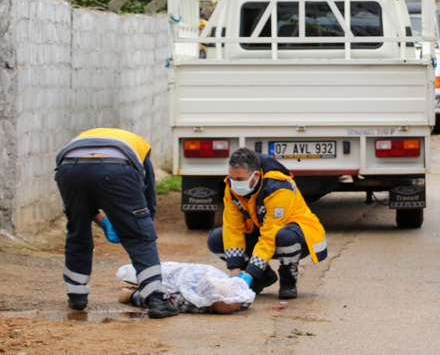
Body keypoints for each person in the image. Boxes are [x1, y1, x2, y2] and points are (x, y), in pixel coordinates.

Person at [54, 128, 178, 319]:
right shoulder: (139, 146)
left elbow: (78, 208)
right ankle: (156, 300)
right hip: (118, 168)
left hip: (69, 167)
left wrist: (102, 222)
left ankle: (76, 296)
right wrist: (141, 229)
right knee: (140, 238)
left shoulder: (77, 142)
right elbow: (148, 197)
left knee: (77, 231)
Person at [207, 147, 327, 300]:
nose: (234, 184)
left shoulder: (278, 187)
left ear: (255, 175)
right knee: (217, 238)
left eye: (239, 180)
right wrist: (235, 275)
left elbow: (270, 235)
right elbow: (233, 228)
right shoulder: (231, 187)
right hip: (264, 231)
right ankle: (263, 277)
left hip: (297, 237)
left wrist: (250, 274)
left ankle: (288, 282)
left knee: (285, 236)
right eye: (231, 178)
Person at [116, 261, 256, 314]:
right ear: (209, 307)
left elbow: (241, 299)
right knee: (151, 274)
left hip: (194, 278)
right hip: (183, 275)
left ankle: (131, 293)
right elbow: (160, 298)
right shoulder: (190, 301)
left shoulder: (240, 298)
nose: (239, 306)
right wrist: (133, 296)